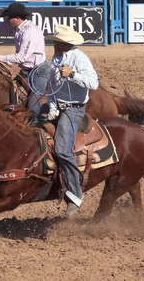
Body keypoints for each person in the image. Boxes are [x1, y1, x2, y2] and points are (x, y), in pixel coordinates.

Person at [44, 24, 99, 218]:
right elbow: (52, 86)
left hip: (73, 109)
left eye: (56, 41)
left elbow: (93, 83)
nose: (53, 43)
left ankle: (75, 195)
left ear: (64, 43)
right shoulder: (56, 57)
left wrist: (73, 74)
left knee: (62, 149)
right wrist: (51, 106)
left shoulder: (79, 57)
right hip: (58, 106)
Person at [0, 0, 48, 117]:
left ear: (17, 18)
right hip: (27, 70)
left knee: (34, 105)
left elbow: (21, 57)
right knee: (11, 87)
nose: (7, 20)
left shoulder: (30, 31)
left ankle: (38, 125)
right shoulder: (17, 28)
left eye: (9, 18)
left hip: (38, 71)